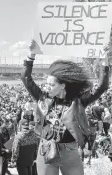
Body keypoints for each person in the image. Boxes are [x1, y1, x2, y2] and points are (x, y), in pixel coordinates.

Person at [21, 40, 110, 175]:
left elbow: (102, 87)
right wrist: (31, 55)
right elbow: (25, 78)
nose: (47, 88)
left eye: (51, 85)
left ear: (62, 85)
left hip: (70, 152)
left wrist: (105, 60)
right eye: (46, 84)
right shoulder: (43, 98)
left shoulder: (78, 102)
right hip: (46, 149)